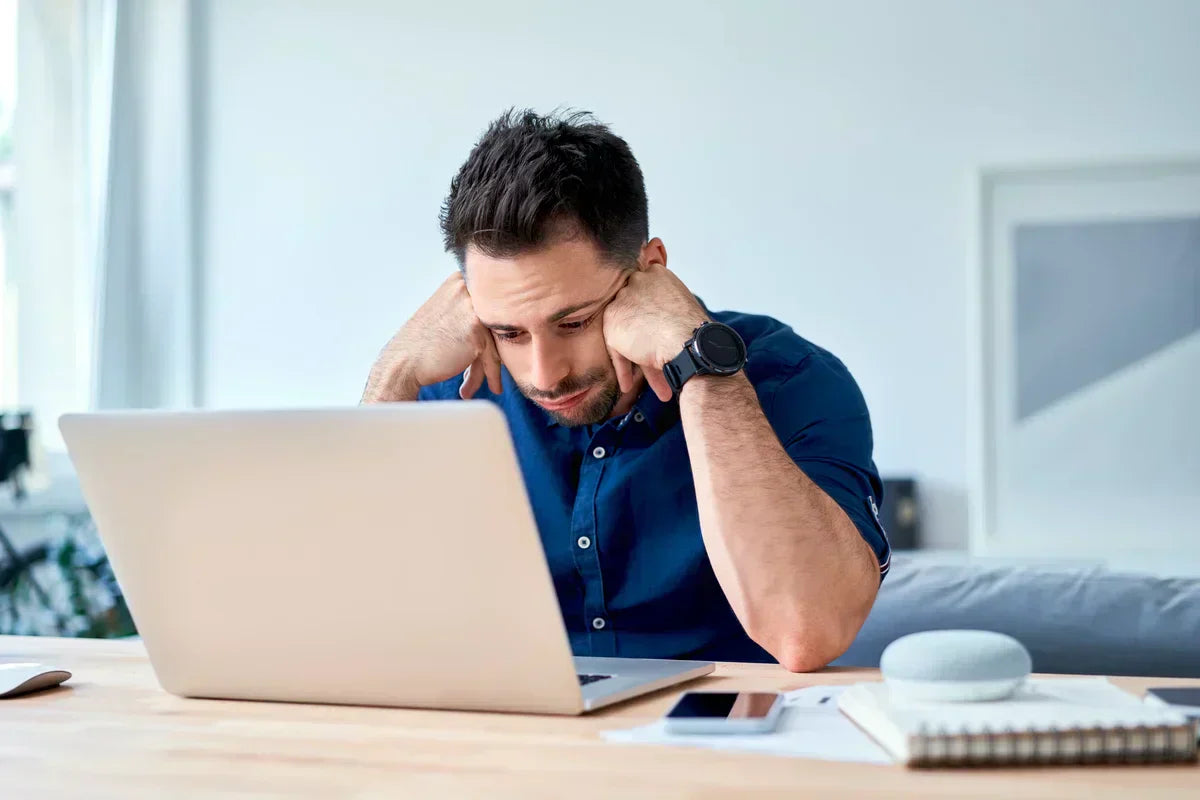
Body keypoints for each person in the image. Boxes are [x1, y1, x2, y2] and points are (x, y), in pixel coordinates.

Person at [362, 109, 889, 671]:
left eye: (574, 323)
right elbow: (352, 628)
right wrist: (392, 374)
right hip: (513, 740)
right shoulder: (449, 394)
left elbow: (807, 632)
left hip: (716, 744)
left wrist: (702, 364)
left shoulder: (791, 381)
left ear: (650, 269)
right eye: (508, 332)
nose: (544, 374)